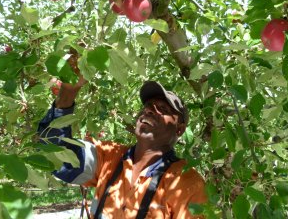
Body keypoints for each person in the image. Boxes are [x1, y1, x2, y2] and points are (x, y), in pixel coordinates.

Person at [38, 58, 206, 218]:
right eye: (148, 106)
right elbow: (54, 154)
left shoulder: (186, 183)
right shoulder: (108, 157)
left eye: (163, 108)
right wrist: (68, 91)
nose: (149, 110)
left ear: (180, 129)